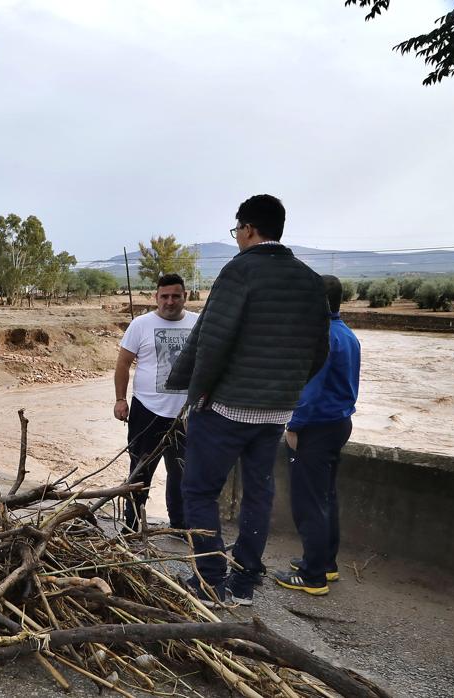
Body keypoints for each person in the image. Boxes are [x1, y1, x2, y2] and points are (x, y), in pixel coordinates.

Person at [166, 194, 329, 607]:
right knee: (259, 492)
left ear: (249, 228)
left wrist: (197, 394)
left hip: (227, 409)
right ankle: (244, 582)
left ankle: (209, 580)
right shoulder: (311, 281)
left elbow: (212, 341)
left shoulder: (240, 270)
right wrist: (284, 390)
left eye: (237, 229)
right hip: (276, 412)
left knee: (199, 490)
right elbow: (319, 352)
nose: (237, 236)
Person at [273, 275, 360, 596]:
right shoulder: (347, 334)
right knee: (326, 497)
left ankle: (312, 576)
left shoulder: (321, 338)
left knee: (309, 502)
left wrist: (294, 426)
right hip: (339, 424)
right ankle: (325, 563)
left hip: (316, 428)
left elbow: (310, 391)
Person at [113, 273, 199, 532]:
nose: (170, 302)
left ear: (185, 296)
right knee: (140, 470)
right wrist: (120, 399)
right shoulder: (140, 325)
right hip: (147, 411)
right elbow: (123, 364)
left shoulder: (198, 323)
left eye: (176, 296)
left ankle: (179, 524)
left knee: (182, 471)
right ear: (156, 297)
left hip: (186, 414)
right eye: (165, 296)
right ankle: (132, 525)